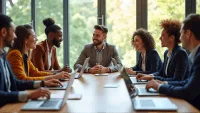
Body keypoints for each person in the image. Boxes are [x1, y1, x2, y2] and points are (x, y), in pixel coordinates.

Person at [0, 14, 63, 107]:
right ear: (4, 32)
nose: (15, 36)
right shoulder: (14, 54)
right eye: (13, 32)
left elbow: (18, 81)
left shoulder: (3, 56)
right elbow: (21, 79)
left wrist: (44, 82)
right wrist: (29, 95)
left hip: (10, 104)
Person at [145, 14, 200, 110]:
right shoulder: (196, 55)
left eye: (181, 32)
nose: (180, 36)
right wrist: (162, 83)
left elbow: (188, 91)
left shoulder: (195, 56)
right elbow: (187, 82)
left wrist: (160, 86)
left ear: (188, 33)